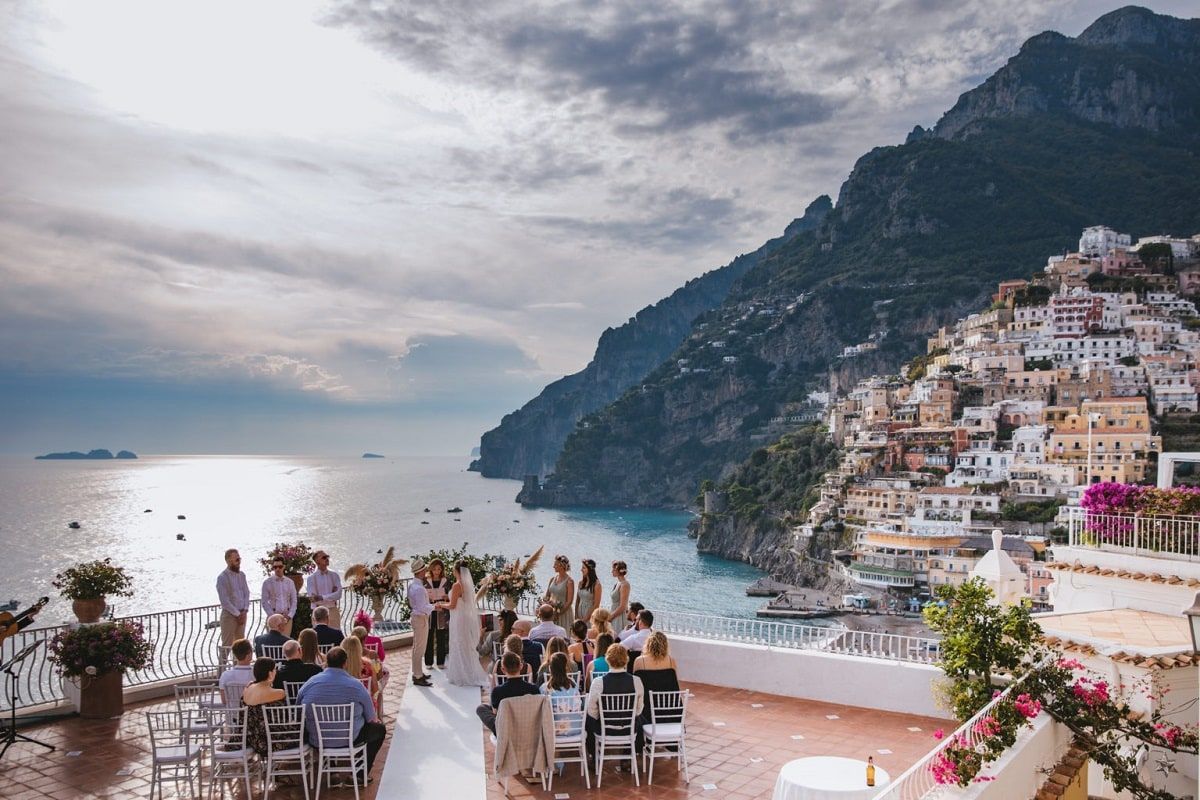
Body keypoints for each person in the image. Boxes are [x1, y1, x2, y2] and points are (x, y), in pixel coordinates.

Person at [297, 647, 387, 777]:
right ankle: (360, 774)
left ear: (326, 662)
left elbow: (299, 709)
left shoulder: (310, 683)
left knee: (320, 725)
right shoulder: (356, 685)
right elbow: (371, 717)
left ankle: (332, 770)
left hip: (318, 740)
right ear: (345, 663)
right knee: (379, 729)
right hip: (350, 738)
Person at [585, 644, 643, 752]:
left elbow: (591, 710)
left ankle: (593, 754)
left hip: (604, 730)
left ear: (608, 660)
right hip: (629, 729)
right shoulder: (636, 681)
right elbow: (639, 710)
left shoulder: (598, 682)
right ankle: (629, 755)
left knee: (587, 718)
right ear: (626, 660)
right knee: (639, 718)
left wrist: (602, 718)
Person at [441, 560, 490, 688]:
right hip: (464, 617)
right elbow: (461, 600)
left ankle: (461, 674)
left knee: (458, 642)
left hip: (458, 618)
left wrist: (440, 605)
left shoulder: (457, 585)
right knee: (464, 643)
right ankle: (468, 671)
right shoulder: (467, 584)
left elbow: (452, 605)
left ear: (456, 571)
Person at [475, 651, 539, 735]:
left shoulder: (497, 691)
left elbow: (495, 713)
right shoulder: (534, 689)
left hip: (506, 728)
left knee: (481, 708)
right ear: (521, 666)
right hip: (528, 725)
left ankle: (499, 732)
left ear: (503, 669)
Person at [632, 632, 681, 730]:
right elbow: (675, 685)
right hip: (667, 707)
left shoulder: (639, 661)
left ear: (648, 644)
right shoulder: (671, 661)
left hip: (646, 708)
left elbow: (635, 685)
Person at [242, 657, 286, 757]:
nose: (276, 672)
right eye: (274, 669)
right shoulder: (279, 693)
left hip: (251, 739)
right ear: (270, 673)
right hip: (270, 741)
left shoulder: (247, 689)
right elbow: (282, 719)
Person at [406, 559, 434, 687]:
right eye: (424, 570)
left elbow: (413, 604)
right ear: (421, 571)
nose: (426, 571)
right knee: (420, 648)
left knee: (416, 647)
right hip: (420, 618)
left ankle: (417, 672)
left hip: (416, 618)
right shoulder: (419, 589)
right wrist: (435, 606)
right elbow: (423, 607)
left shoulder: (412, 585)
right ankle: (417, 676)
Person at [216, 549, 250, 647]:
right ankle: (223, 659)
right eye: (236, 560)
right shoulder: (222, 578)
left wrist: (245, 610)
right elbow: (224, 601)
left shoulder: (242, 575)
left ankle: (238, 659)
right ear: (228, 561)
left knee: (240, 645)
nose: (239, 562)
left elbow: (246, 593)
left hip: (242, 614)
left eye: (239, 559)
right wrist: (238, 614)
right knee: (227, 645)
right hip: (229, 615)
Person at [423, 559, 451, 670]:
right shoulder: (425, 581)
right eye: (434, 569)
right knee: (429, 637)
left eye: (439, 569)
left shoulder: (446, 581)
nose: (436, 571)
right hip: (430, 612)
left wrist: (447, 597)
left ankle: (440, 662)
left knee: (441, 637)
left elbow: (451, 595)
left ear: (442, 570)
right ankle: (428, 662)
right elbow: (421, 596)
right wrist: (427, 598)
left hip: (441, 612)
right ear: (431, 569)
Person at [342, 636, 381, 716]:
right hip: (365, 707)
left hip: (343, 706)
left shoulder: (339, 666)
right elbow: (375, 689)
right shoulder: (368, 665)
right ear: (359, 648)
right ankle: (379, 716)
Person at [306, 550, 343, 630]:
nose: (327, 559)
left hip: (333, 610)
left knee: (336, 635)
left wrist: (322, 597)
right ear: (317, 561)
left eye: (327, 557)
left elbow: (339, 594)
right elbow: (314, 599)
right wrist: (331, 596)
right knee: (319, 636)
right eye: (324, 557)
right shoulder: (311, 578)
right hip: (318, 612)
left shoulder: (334, 575)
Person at [260, 558, 298, 635]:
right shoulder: (267, 583)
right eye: (275, 567)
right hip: (273, 618)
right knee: (273, 641)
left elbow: (294, 600)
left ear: (284, 567)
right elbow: (264, 602)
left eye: (280, 567)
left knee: (286, 641)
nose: (277, 569)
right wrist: (272, 615)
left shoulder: (290, 582)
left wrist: (289, 616)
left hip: (286, 618)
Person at [542, 554, 575, 631]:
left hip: (563, 613)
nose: (553, 566)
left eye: (555, 564)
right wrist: (544, 606)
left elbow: (569, 601)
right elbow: (547, 596)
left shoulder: (569, 581)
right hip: (551, 613)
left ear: (562, 566)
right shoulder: (552, 579)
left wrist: (558, 613)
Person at [219, 639, 255, 704]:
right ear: (250, 654)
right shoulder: (256, 674)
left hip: (233, 710)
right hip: (252, 710)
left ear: (235, 655)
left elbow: (224, 701)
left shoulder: (225, 675)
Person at [575, 559, 601, 628]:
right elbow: (577, 600)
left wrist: (584, 620)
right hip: (579, 615)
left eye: (583, 568)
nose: (581, 570)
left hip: (589, 617)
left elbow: (596, 605)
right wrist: (576, 617)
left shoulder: (597, 585)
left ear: (590, 569)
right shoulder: (581, 583)